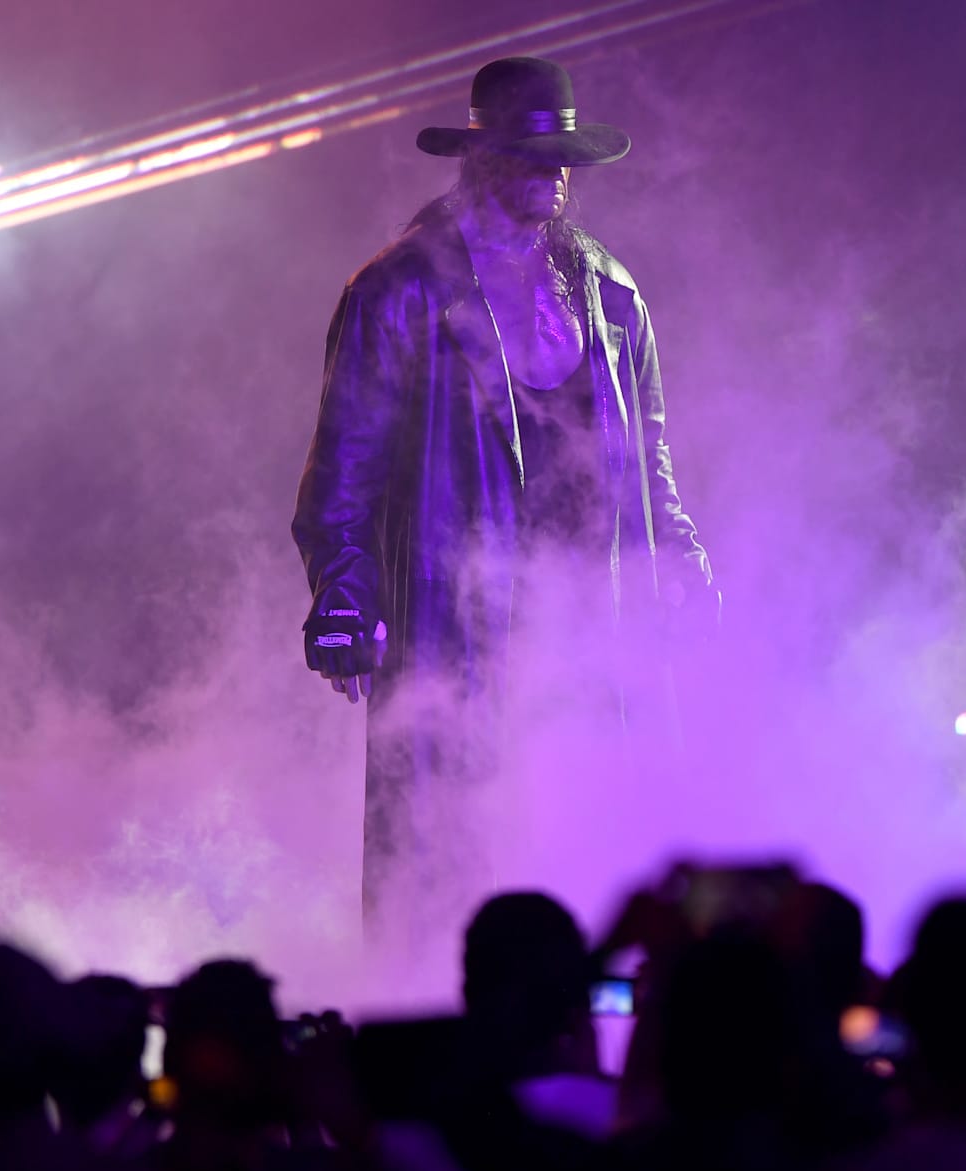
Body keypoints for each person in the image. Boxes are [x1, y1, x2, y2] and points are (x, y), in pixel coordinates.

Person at [292, 57, 717, 941]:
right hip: (462, 640)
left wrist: (677, 554)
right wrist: (342, 596)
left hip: (591, 638)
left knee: (602, 872)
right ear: (480, 159)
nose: (552, 173)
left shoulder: (611, 295)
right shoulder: (398, 291)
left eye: (561, 156)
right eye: (531, 154)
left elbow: (650, 459)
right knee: (454, 874)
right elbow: (344, 469)